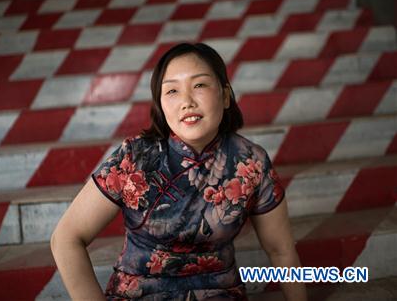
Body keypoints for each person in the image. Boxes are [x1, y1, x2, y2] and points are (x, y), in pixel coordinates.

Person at [50, 43, 307, 300]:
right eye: (172, 90)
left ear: (226, 95)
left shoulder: (251, 163)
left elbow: (280, 250)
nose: (187, 101)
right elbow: (66, 238)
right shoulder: (134, 158)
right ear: (160, 105)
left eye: (200, 85)